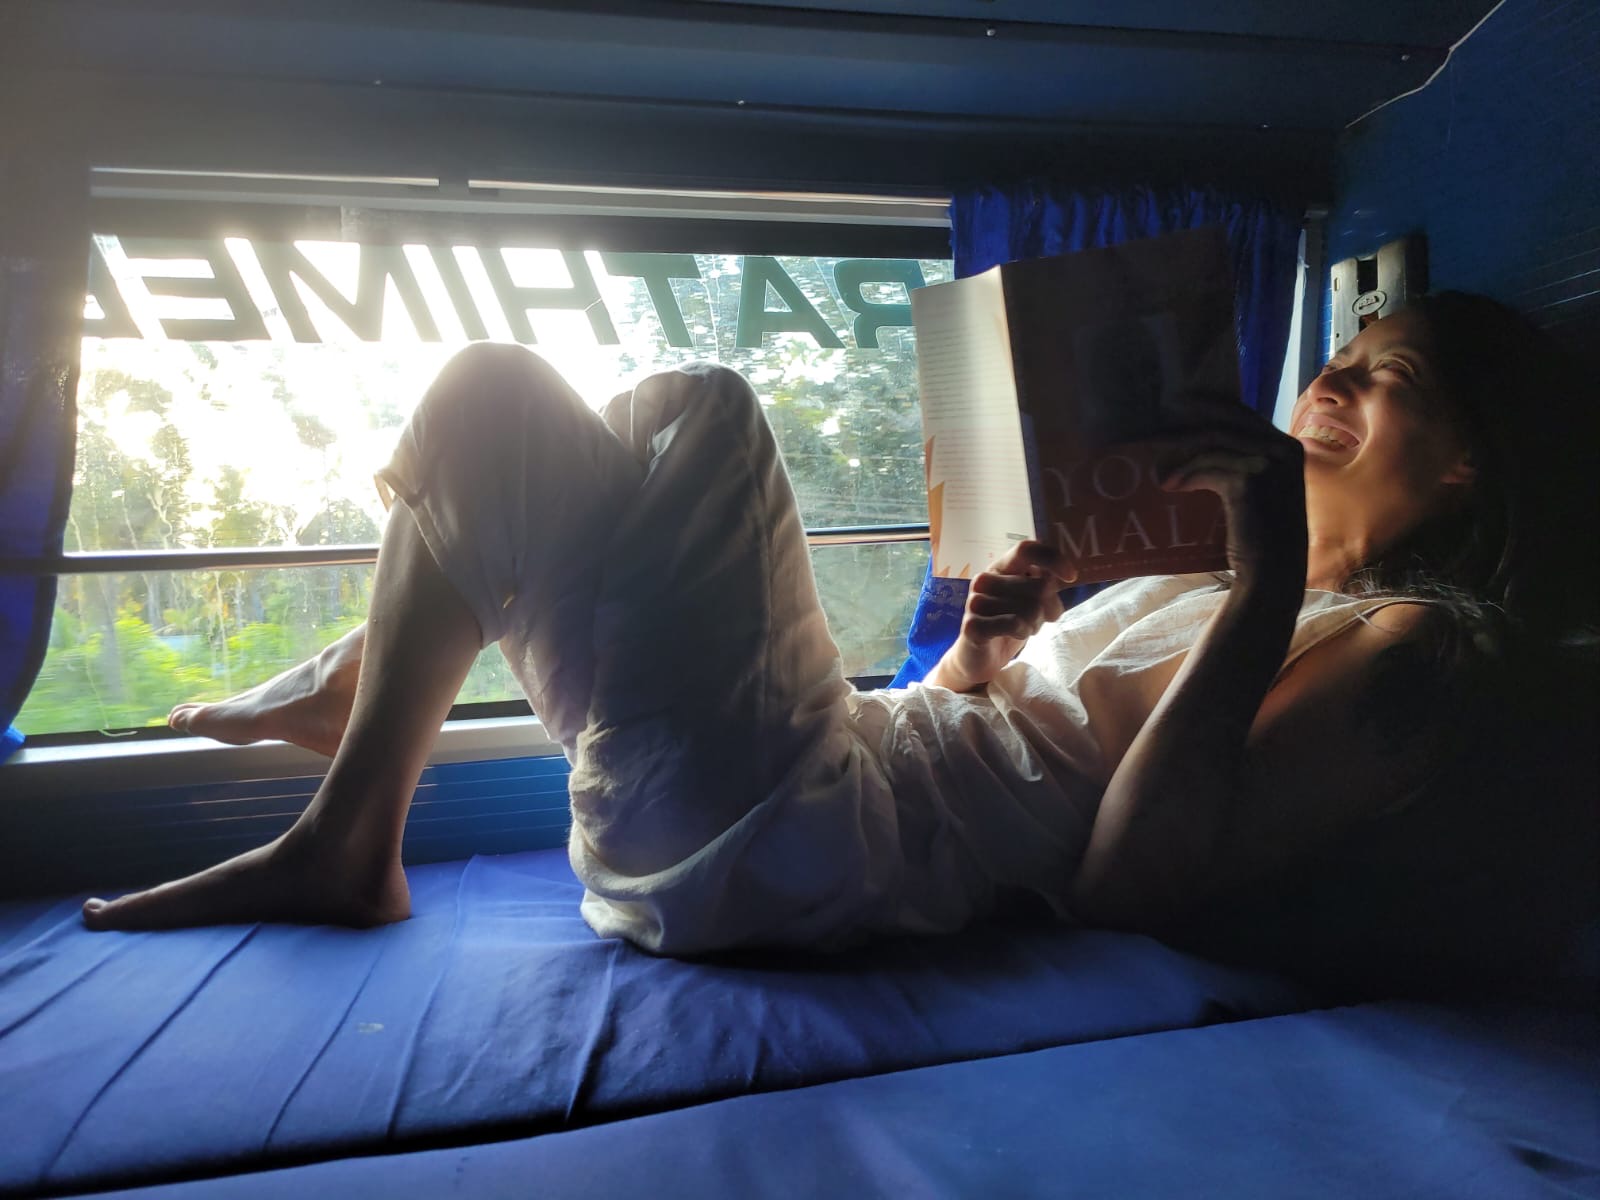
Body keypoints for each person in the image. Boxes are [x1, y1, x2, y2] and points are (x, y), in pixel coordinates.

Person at [80, 292, 1594, 958]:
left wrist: (1262, 588)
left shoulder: (1415, 650)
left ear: (1471, 461)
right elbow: (999, 738)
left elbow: (1133, 892)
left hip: (811, 850)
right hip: (833, 771)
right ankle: (360, 782)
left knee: (701, 409)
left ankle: (352, 797)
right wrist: (987, 651)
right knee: (492, 401)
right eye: (1342, 350)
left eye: (1387, 375)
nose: (1331, 378)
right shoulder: (1195, 582)